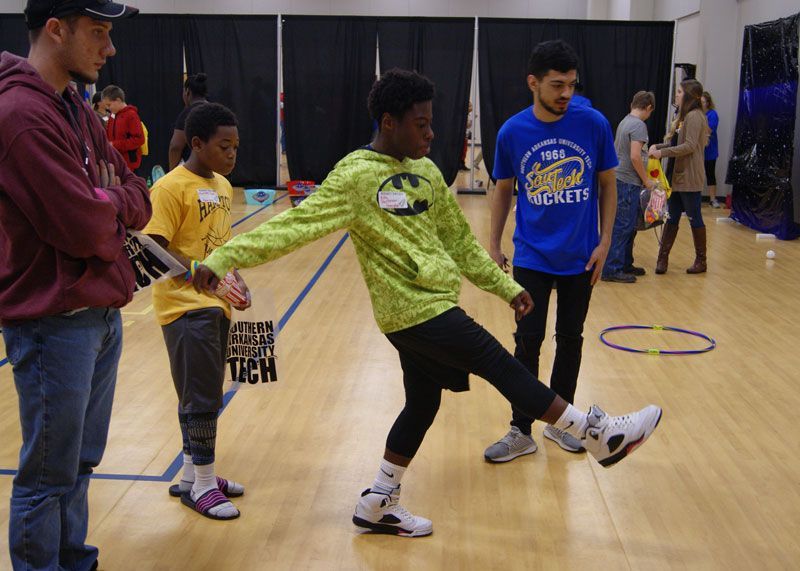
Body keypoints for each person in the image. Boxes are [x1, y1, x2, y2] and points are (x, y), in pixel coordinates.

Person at [190, 68, 662, 537]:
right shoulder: (355, 176)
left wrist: (505, 287)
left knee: (422, 404)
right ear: (389, 122)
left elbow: (459, 243)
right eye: (421, 124)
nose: (431, 134)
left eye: (431, 123)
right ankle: (595, 432)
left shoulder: (427, 172)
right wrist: (225, 256)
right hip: (410, 311)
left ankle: (378, 500)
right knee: (499, 363)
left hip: (434, 303)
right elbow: (294, 226)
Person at [0, 1, 149, 569]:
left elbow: (138, 192)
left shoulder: (75, 107)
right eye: (98, 32)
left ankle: (73, 560)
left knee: (81, 463)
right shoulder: (20, 114)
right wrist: (108, 202)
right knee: (48, 475)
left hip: (98, 313)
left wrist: (108, 197)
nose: (110, 48)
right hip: (53, 323)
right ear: (56, 29)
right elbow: (84, 226)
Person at [485, 40, 619, 461]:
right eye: (557, 85)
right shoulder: (512, 132)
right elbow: (503, 189)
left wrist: (605, 243)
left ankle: (564, 426)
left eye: (571, 85)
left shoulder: (594, 124)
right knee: (527, 342)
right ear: (533, 83)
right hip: (531, 257)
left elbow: (608, 185)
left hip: (581, 256)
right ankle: (520, 429)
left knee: (570, 340)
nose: (566, 94)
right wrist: (494, 242)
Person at [144, 102, 250, 521]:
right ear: (197, 143)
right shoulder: (170, 187)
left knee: (200, 391)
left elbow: (220, 241)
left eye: (236, 146)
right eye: (224, 146)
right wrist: (195, 272)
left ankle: (192, 475)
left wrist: (236, 276)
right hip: (185, 306)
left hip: (216, 303)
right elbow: (152, 246)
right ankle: (204, 485)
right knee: (202, 396)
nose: (232, 153)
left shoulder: (222, 185)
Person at [649, 79, 710, 274]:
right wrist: (658, 147)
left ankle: (701, 260)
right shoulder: (684, 116)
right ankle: (662, 259)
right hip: (676, 177)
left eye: (679, 92)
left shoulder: (695, 116)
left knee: (694, 217)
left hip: (689, 177)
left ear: (689, 95)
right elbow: (677, 143)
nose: (676, 95)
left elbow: (689, 146)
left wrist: (662, 153)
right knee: (672, 216)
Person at [602, 91, 656, 283]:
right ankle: (612, 268)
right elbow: (635, 156)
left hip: (621, 178)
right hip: (627, 181)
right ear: (648, 107)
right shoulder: (639, 125)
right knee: (623, 225)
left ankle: (625, 263)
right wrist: (646, 180)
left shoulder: (625, 121)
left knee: (628, 225)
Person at [168, 72, 209, 171]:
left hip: (194, 169)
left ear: (187, 92)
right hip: (215, 167)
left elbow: (175, 147)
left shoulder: (188, 113)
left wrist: (172, 172)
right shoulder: (217, 110)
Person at [101, 83, 144, 172]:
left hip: (129, 164)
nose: (108, 108)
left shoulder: (131, 115)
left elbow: (139, 140)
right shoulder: (113, 115)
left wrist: (115, 144)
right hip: (116, 161)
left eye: (109, 105)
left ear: (118, 100)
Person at [702, 91, 721, 208]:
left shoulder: (713, 115)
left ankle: (712, 199)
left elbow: (709, 130)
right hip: (698, 150)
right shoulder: (696, 113)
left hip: (710, 150)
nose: (701, 104)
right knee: (696, 175)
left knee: (710, 173)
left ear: (708, 103)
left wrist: (703, 120)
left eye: (703, 102)